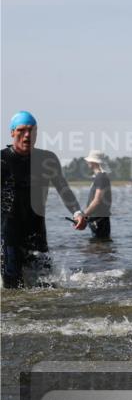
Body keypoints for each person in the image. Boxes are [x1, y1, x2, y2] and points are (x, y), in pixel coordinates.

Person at [1, 111, 88, 288]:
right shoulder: (2, 159)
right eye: (22, 130)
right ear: (12, 132)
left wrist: (78, 213)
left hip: (36, 232)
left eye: (32, 130)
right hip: (9, 233)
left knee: (46, 286)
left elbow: (63, 189)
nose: (27, 135)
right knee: (13, 289)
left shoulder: (47, 159)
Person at [81, 150, 113, 240]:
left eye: (89, 160)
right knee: (100, 248)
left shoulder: (101, 177)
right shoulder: (100, 177)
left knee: (99, 247)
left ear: (93, 162)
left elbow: (97, 200)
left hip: (99, 220)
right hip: (99, 219)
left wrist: (83, 215)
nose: (87, 162)